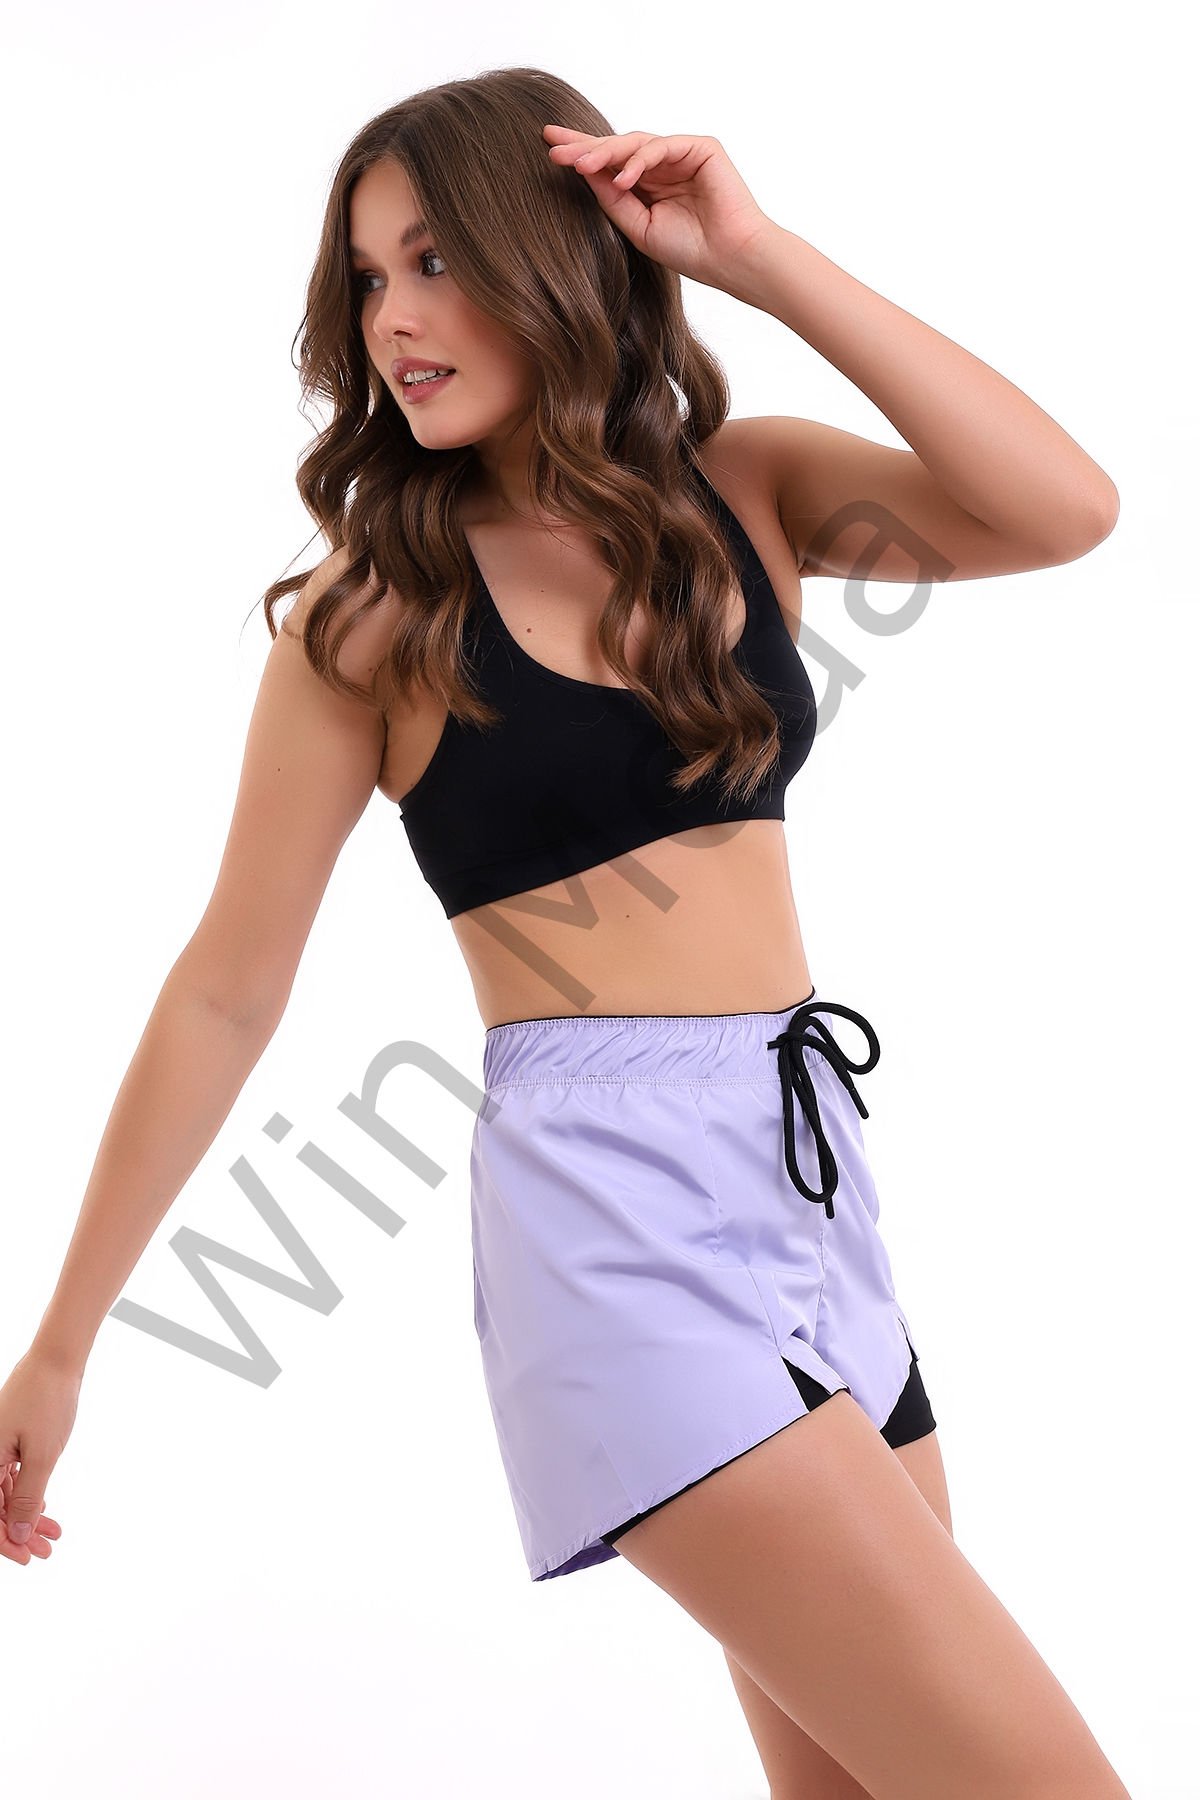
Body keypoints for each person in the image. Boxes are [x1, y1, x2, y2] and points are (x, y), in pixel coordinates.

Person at [0, 65, 1130, 1800]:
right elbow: (226, 990)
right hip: (611, 1225)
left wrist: (760, 256)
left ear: (557, 257)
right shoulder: (371, 623)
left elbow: (1064, 508)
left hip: (808, 1174)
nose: (392, 317)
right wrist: (62, 1344)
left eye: (436, 260)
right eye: (366, 277)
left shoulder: (746, 493)